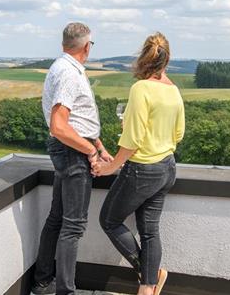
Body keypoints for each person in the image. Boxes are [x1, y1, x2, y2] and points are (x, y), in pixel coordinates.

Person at [91, 32, 184, 295]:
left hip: (143, 170)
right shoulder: (173, 90)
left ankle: (149, 274)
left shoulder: (141, 89)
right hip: (167, 167)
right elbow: (178, 134)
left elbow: (131, 142)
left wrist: (109, 167)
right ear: (167, 59)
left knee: (109, 220)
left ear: (143, 57)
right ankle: (148, 287)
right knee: (150, 231)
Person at [32, 22, 114, 295]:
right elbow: (59, 125)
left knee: (57, 218)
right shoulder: (69, 73)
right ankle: (65, 291)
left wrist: (99, 146)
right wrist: (90, 151)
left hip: (71, 148)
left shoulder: (61, 67)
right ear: (87, 46)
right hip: (73, 152)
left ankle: (43, 281)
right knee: (73, 225)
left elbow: (78, 120)